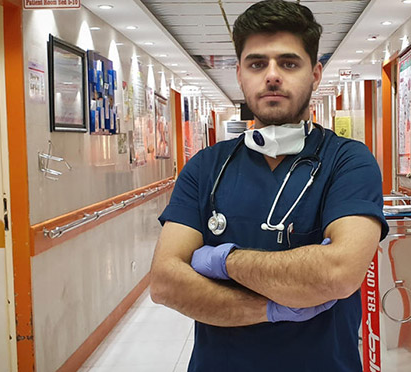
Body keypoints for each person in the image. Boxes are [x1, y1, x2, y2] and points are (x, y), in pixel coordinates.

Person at [149, 1, 388, 370]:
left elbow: (338, 273)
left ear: (316, 73)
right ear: (240, 75)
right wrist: (272, 308)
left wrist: (223, 261)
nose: (272, 75)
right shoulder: (206, 167)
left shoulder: (348, 161)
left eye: (289, 63)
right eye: (257, 64)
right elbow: (166, 282)